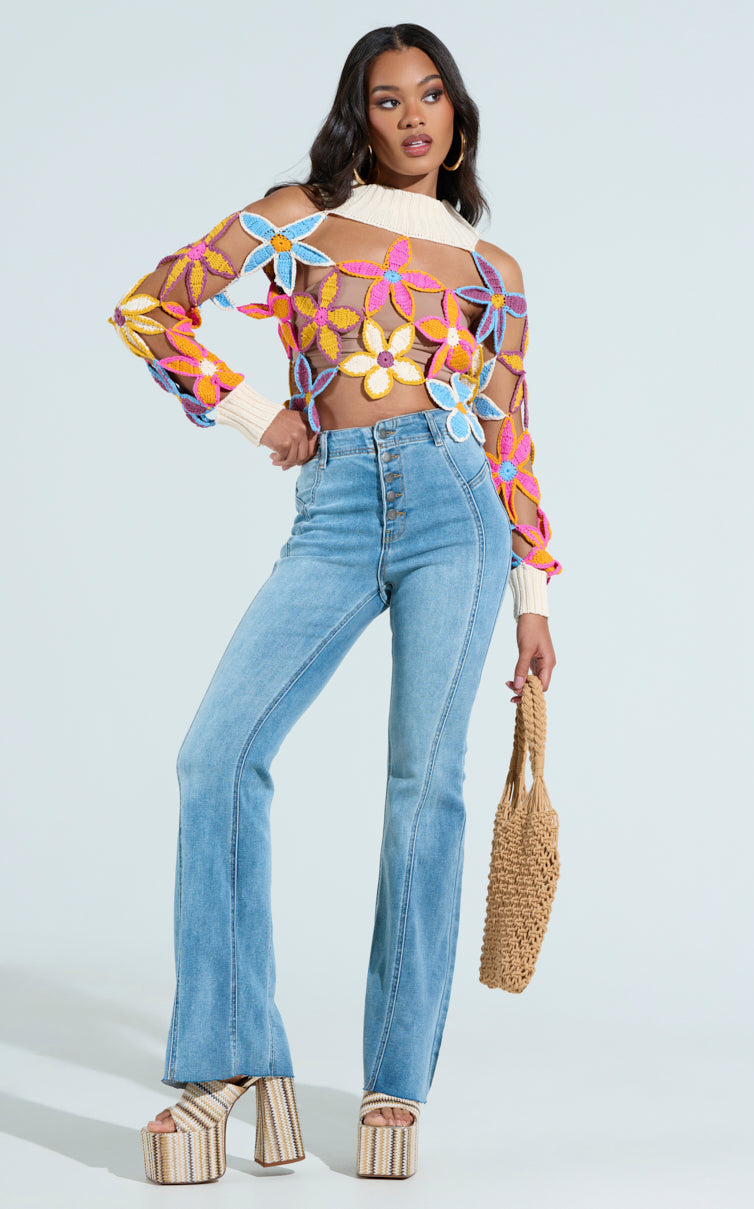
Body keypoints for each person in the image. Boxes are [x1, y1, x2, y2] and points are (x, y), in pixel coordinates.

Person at [109, 22, 562, 1184]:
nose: (411, 117)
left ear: (457, 115)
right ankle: (229, 1061)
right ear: (356, 116)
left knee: (424, 788)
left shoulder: (492, 275)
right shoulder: (296, 215)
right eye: (384, 98)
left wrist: (531, 597)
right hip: (335, 512)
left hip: (457, 512)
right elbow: (153, 309)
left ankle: (394, 1088)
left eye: (430, 97)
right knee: (218, 756)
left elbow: (508, 441)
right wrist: (266, 417)